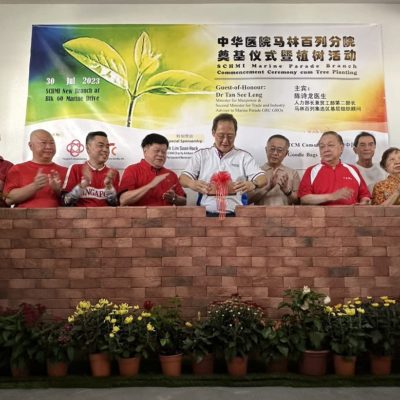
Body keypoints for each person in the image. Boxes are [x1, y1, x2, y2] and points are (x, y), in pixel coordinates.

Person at [179, 113, 267, 216]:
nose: (225, 141)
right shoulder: (201, 155)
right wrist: (192, 183)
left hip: (236, 215)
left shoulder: (244, 157)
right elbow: (183, 178)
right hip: (206, 215)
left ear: (235, 134)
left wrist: (253, 184)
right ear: (213, 133)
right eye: (221, 136)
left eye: (230, 136)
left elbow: (263, 178)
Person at [298, 131, 370, 205]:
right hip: (321, 213)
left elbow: (365, 195)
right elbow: (304, 198)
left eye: (330, 145)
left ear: (341, 148)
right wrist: (331, 196)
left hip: (351, 212)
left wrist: (363, 203)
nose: (326, 150)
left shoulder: (353, 170)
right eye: (322, 146)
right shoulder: (311, 171)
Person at [3, 129, 67, 208]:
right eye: (43, 143)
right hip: (24, 215)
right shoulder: (18, 169)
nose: (49, 147)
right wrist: (34, 186)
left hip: (58, 215)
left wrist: (58, 191)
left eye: (52, 143)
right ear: (30, 146)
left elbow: (72, 202)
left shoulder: (66, 171)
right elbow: (8, 200)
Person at [119, 133, 186, 206]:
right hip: (140, 214)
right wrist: (150, 185)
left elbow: (184, 201)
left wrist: (175, 198)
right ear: (145, 151)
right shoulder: (132, 170)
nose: (161, 154)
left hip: (166, 213)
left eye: (164, 152)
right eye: (156, 151)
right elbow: (123, 200)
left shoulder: (171, 174)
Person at [62, 131, 119, 207]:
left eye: (107, 147)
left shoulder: (112, 173)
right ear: (88, 148)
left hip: (105, 214)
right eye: (101, 146)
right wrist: (82, 186)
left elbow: (115, 204)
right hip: (80, 214)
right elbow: (65, 202)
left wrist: (109, 187)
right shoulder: (75, 169)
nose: (105, 150)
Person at [248, 134, 299, 205]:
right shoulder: (255, 172)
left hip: (285, 212)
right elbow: (248, 200)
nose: (275, 153)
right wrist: (268, 188)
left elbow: (298, 201)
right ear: (266, 150)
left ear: (286, 153)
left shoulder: (293, 173)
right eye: (272, 149)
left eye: (279, 150)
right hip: (261, 212)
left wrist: (287, 191)